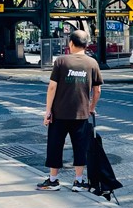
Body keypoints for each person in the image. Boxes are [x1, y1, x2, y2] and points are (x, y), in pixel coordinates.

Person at [37, 30, 103, 191]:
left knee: (55, 145)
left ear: (71, 43)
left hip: (59, 114)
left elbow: (52, 87)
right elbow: (97, 90)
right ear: (86, 45)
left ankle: (53, 180)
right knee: (80, 147)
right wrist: (91, 108)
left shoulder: (61, 61)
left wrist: (48, 111)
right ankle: (78, 181)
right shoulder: (92, 63)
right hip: (81, 114)